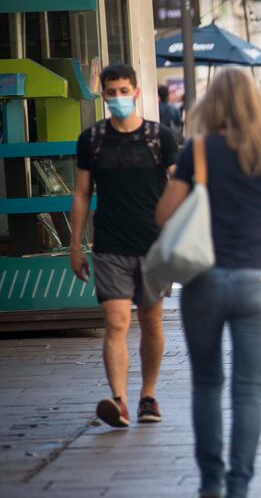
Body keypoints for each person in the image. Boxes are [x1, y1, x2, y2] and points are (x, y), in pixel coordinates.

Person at [155, 68, 261, 498]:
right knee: (248, 390)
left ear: (210, 104)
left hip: (205, 280)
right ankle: (239, 487)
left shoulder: (196, 151)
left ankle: (210, 485)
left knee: (206, 383)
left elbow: (163, 215)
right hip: (257, 279)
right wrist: (258, 212)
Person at [70, 64, 179, 429]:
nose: (117, 98)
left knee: (151, 321)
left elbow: (176, 191)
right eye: (110, 92)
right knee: (116, 322)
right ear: (103, 96)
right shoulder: (92, 140)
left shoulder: (159, 137)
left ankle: (148, 395)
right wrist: (75, 244)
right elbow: (82, 193)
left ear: (136, 92)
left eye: (122, 91)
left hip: (153, 244)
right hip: (109, 245)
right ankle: (119, 401)